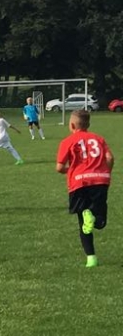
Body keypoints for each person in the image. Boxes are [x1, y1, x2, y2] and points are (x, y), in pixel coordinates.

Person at [55, 110, 114, 268]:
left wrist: (72, 171)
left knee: (83, 222)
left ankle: (91, 258)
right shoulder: (99, 139)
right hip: (100, 180)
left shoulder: (67, 141)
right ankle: (93, 217)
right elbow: (109, 158)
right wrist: (106, 172)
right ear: (88, 124)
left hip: (79, 183)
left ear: (72, 125)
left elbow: (59, 167)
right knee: (100, 222)